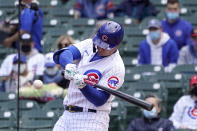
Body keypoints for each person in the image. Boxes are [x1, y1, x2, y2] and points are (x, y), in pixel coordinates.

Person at [52, 21, 125, 131]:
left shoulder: (116, 67)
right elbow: (64, 53)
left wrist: (83, 86)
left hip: (91, 119)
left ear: (117, 45)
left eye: (105, 47)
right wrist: (69, 65)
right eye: (99, 43)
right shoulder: (89, 44)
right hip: (67, 115)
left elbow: (99, 100)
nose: (100, 48)